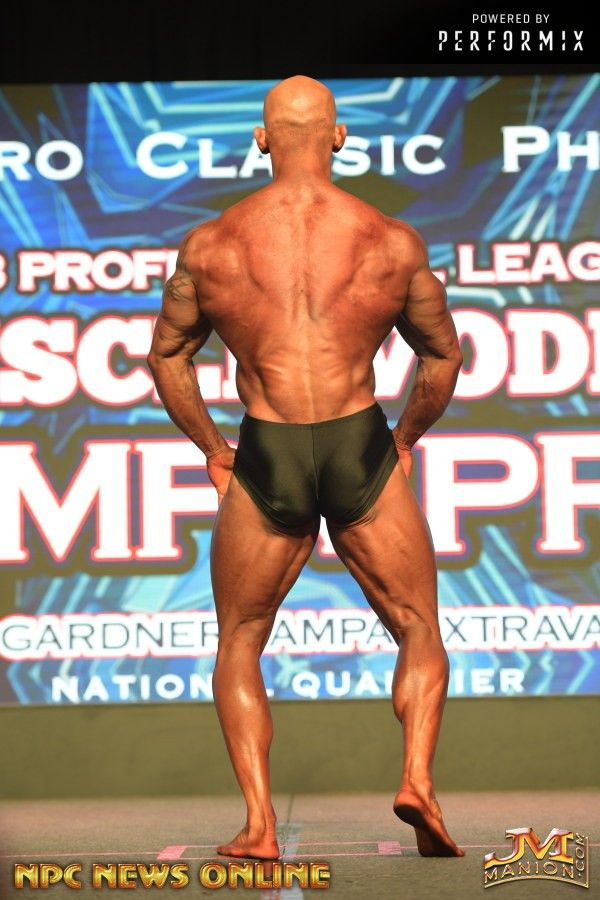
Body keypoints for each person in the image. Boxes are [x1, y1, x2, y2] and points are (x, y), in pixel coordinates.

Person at [147, 75, 464, 860]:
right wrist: (403, 439)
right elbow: (442, 357)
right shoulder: (390, 241)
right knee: (417, 625)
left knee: (241, 638)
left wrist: (214, 450)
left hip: (269, 448)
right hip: (358, 441)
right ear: (339, 136)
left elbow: (168, 356)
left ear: (261, 139)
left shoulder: (210, 245)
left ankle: (259, 826)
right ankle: (417, 780)